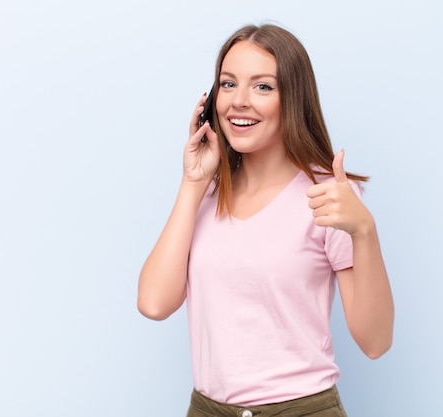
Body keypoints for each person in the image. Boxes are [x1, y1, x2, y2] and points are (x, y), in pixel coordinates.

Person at [138, 23, 394, 417]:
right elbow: (154, 303)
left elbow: (375, 342)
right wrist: (192, 183)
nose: (239, 101)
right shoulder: (206, 195)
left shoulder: (328, 197)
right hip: (207, 409)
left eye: (263, 87)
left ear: (292, 99)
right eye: (227, 84)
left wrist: (365, 231)